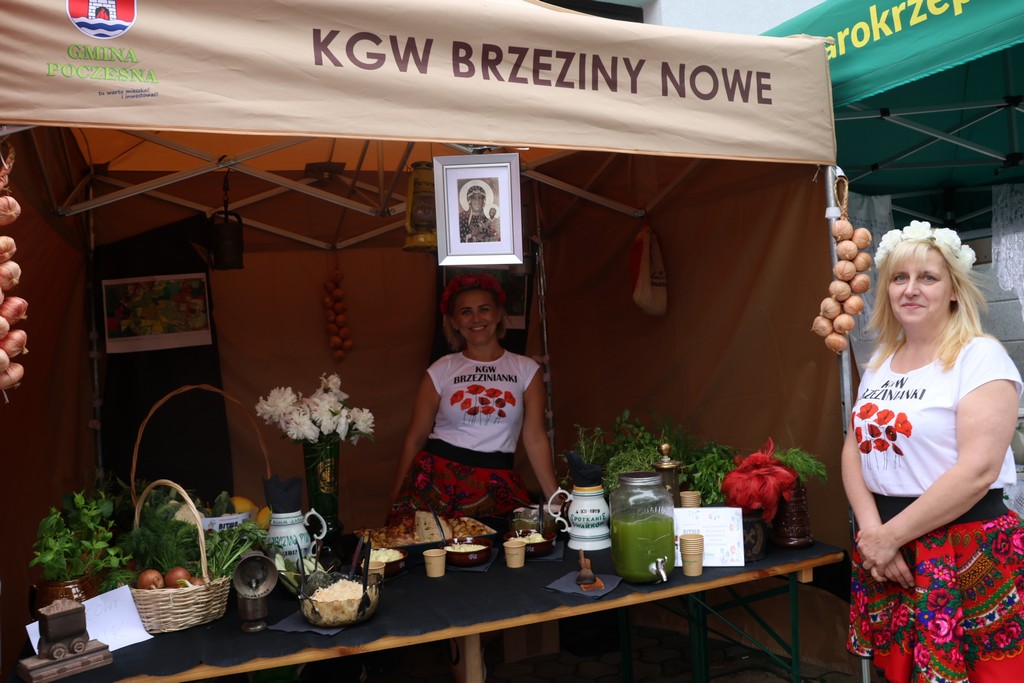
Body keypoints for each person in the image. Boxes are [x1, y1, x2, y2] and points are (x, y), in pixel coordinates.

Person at [843, 220, 1024, 682]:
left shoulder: (979, 357)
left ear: (954, 291)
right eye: (899, 278)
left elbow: (979, 470)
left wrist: (888, 537)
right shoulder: (880, 362)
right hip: (890, 551)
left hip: (964, 546)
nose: (910, 289)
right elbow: (853, 448)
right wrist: (873, 533)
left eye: (927, 277)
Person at [388, 272, 560, 524]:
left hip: (496, 481)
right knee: (425, 545)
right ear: (454, 322)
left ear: (498, 314)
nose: (476, 319)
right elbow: (415, 438)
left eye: (484, 309)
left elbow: (534, 437)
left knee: (506, 543)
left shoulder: (526, 369)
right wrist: (396, 494)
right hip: (436, 479)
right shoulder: (441, 369)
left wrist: (555, 498)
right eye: (466, 312)